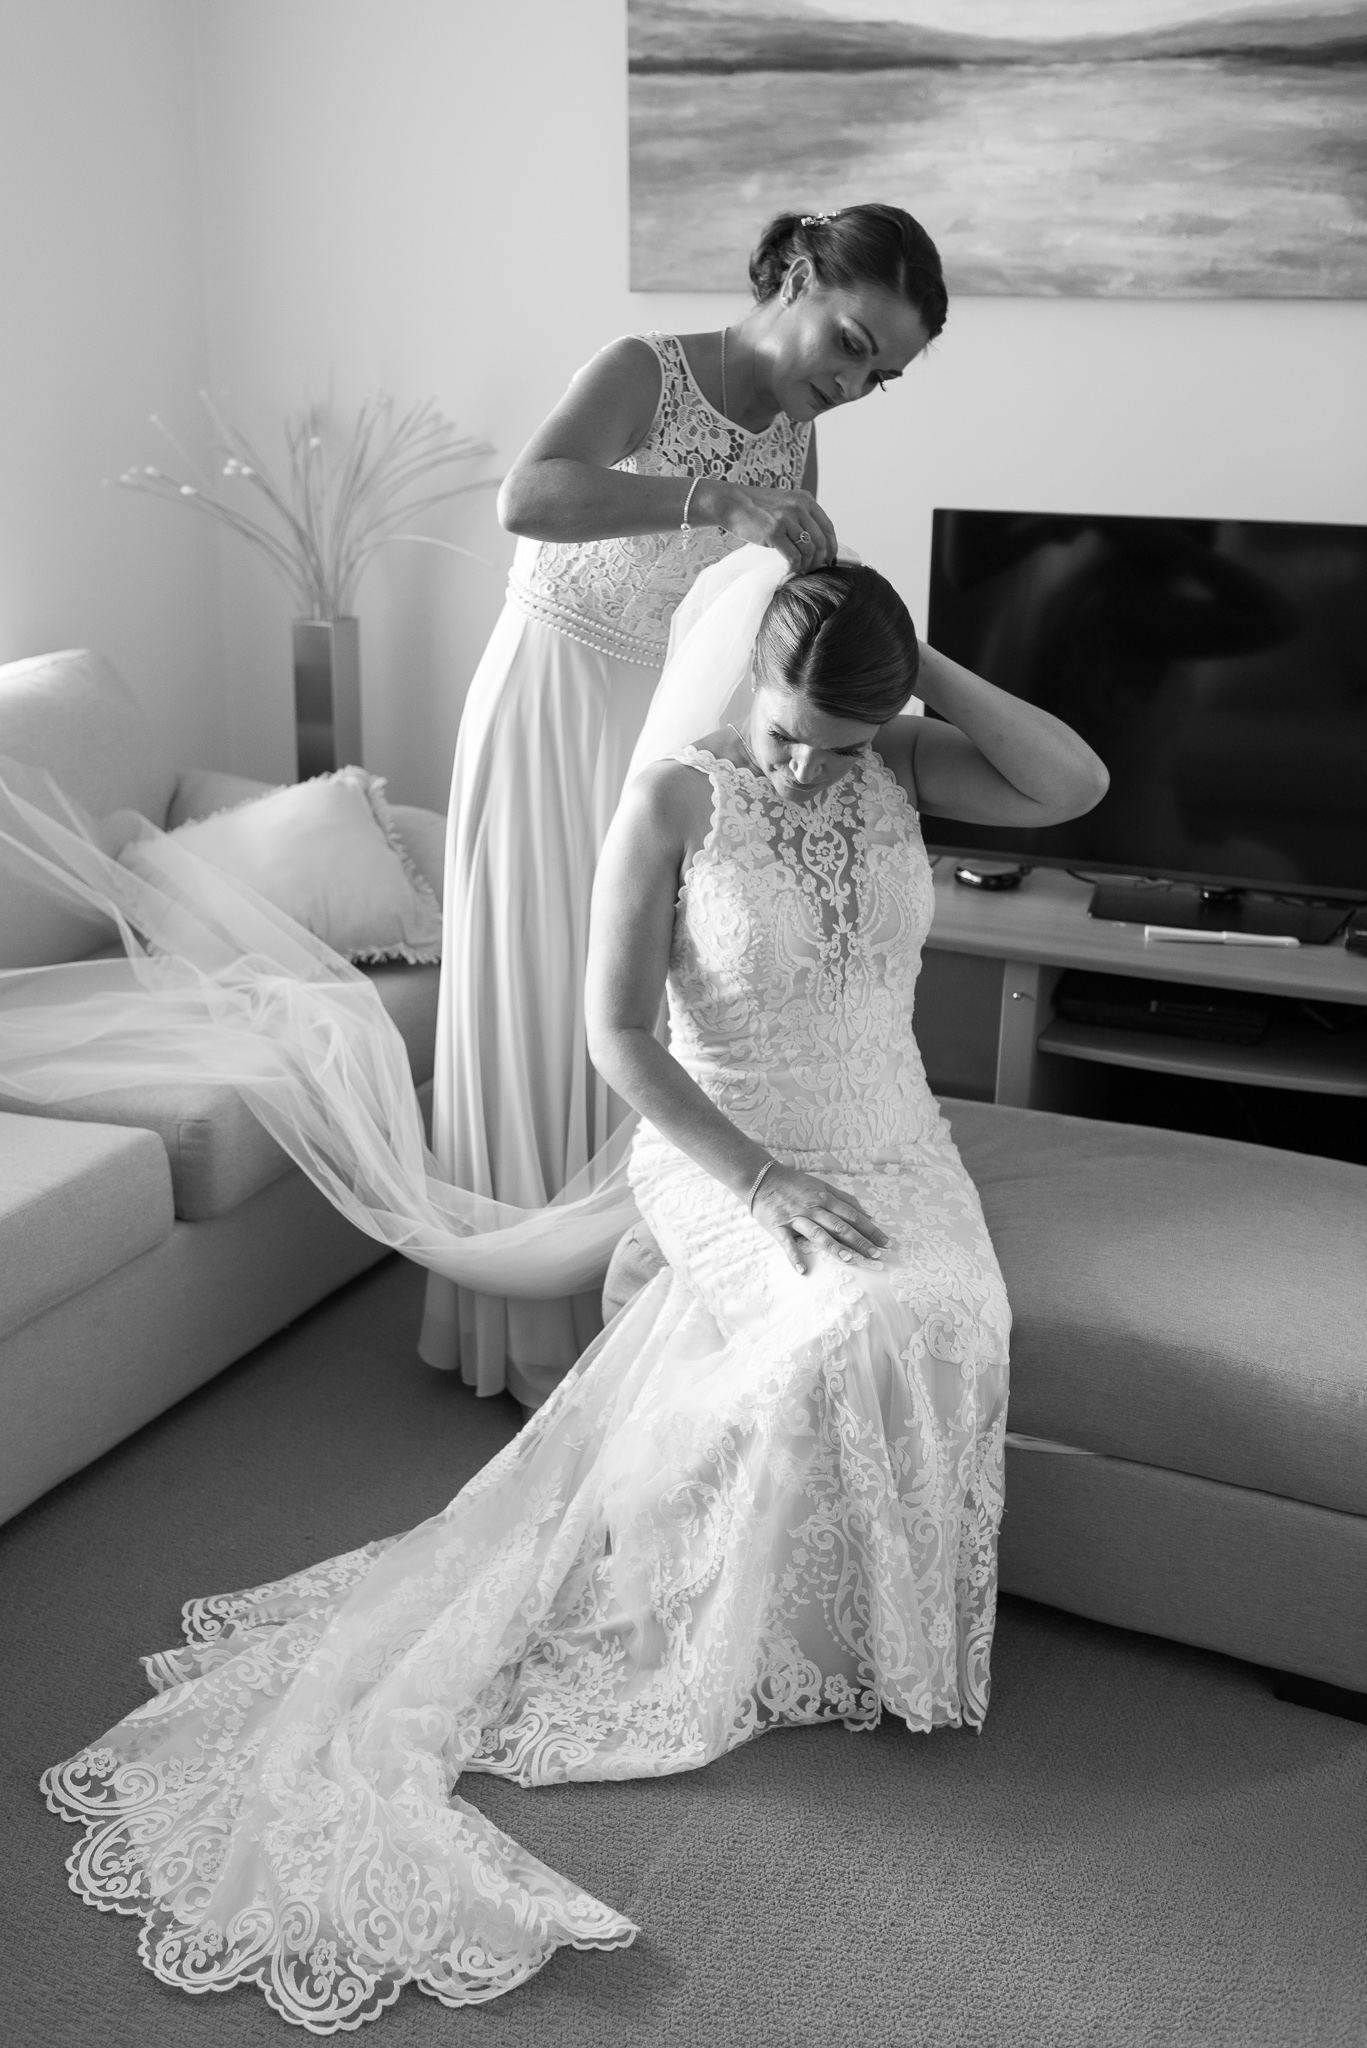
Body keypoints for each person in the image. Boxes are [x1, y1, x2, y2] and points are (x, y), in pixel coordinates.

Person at [41, 553, 1108, 2032]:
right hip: (722, 1143)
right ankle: (690, 1584)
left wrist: (913, 678)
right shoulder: (676, 793)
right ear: (747, 670)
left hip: (891, 1140)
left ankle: (865, 1636)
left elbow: (1069, 782)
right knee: (849, 1320)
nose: (806, 764)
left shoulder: (899, 765)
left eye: (839, 740)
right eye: (791, 725)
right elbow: (616, 1034)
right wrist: (756, 1181)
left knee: (944, 1314)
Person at [420, 201, 949, 1408]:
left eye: (885, 374)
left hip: (664, 735)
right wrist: (713, 499)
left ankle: (629, 1311)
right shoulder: (641, 373)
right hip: (551, 701)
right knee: (541, 986)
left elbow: (767, 610)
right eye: (854, 344)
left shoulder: (799, 441)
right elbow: (529, 494)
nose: (855, 381)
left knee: (652, 992)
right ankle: (516, 1329)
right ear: (800, 279)